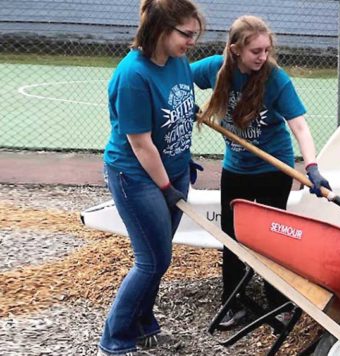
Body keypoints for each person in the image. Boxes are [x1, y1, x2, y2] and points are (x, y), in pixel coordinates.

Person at [190, 15, 331, 328]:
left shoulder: (275, 79)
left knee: (270, 236)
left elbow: (300, 127)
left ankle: (277, 301)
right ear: (236, 49)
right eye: (256, 51)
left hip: (273, 168)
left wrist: (312, 167)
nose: (263, 57)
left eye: (267, 50)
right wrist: (185, 103)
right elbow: (177, 79)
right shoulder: (215, 68)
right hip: (236, 168)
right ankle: (233, 304)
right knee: (232, 235)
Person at [98, 0, 204, 354]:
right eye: (186, 34)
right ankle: (114, 339)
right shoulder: (132, 75)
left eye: (194, 35)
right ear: (161, 29)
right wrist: (167, 188)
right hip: (136, 177)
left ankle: (143, 323)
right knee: (152, 260)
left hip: (172, 172)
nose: (192, 42)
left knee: (160, 255)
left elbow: (178, 101)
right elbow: (141, 144)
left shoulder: (177, 61)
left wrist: (190, 111)